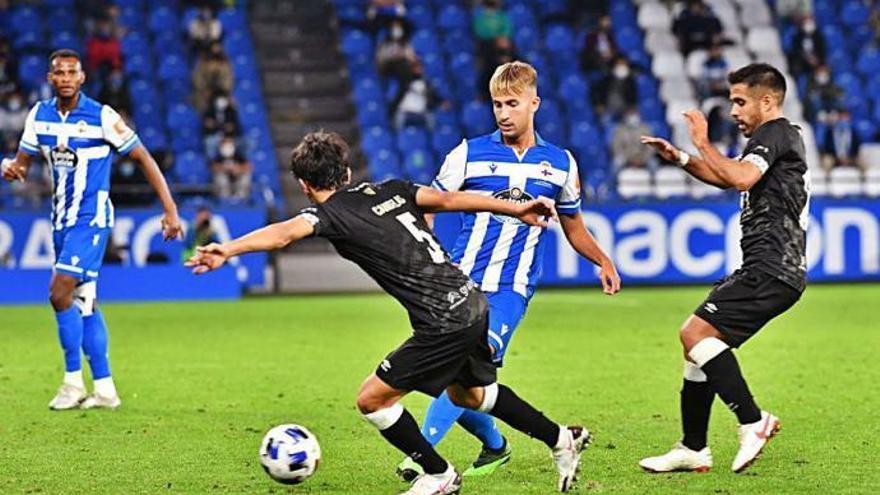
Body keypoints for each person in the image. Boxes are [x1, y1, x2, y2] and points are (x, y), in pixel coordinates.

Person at [187, 131, 591, 494]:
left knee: (372, 400)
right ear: (346, 173)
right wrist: (513, 209)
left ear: (305, 185)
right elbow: (449, 199)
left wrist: (228, 248)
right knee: (470, 394)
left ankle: (438, 474)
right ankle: (560, 439)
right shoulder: (392, 190)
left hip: (443, 321)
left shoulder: (329, 215)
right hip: (470, 300)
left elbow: (282, 234)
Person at [397, 61, 620, 481]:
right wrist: (426, 257)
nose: (503, 113)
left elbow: (574, 227)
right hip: (459, 285)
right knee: (455, 382)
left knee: (463, 363)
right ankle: (496, 445)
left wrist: (603, 260)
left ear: (534, 103)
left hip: (509, 291)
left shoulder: (559, 164)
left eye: (512, 103)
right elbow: (426, 206)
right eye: (497, 104)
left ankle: (421, 458)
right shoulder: (467, 154)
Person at [639, 63, 808, 473]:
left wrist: (701, 140)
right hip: (769, 268)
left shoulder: (776, 132)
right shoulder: (775, 139)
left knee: (693, 332)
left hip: (771, 267)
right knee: (700, 346)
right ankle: (694, 447)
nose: (733, 110)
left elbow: (740, 178)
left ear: (767, 101)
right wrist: (681, 156)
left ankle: (753, 420)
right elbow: (725, 174)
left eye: (739, 101)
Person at [0, 49, 182, 410]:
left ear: (82, 78)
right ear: (50, 79)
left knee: (58, 291)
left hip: (92, 218)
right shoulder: (40, 116)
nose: (66, 78)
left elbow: (143, 156)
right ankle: (105, 389)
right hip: (60, 221)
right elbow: (22, 164)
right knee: (84, 303)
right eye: (59, 73)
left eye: (72, 72)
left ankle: (71, 382)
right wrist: (12, 168)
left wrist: (170, 209)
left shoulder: (102, 116)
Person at [211, 135, 252, 200]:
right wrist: (226, 169)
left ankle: (241, 197)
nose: (227, 148)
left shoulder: (239, 156)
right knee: (220, 177)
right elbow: (214, 168)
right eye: (225, 146)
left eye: (229, 145)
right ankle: (225, 198)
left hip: (237, 178)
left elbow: (249, 167)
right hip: (225, 181)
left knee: (246, 176)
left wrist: (238, 169)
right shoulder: (217, 157)